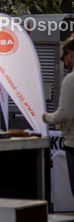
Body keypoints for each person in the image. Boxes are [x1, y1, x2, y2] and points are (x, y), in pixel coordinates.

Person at [44, 35, 74, 197]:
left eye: (64, 54)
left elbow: (65, 114)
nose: (63, 60)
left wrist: (46, 117)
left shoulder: (71, 79)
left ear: (71, 53)